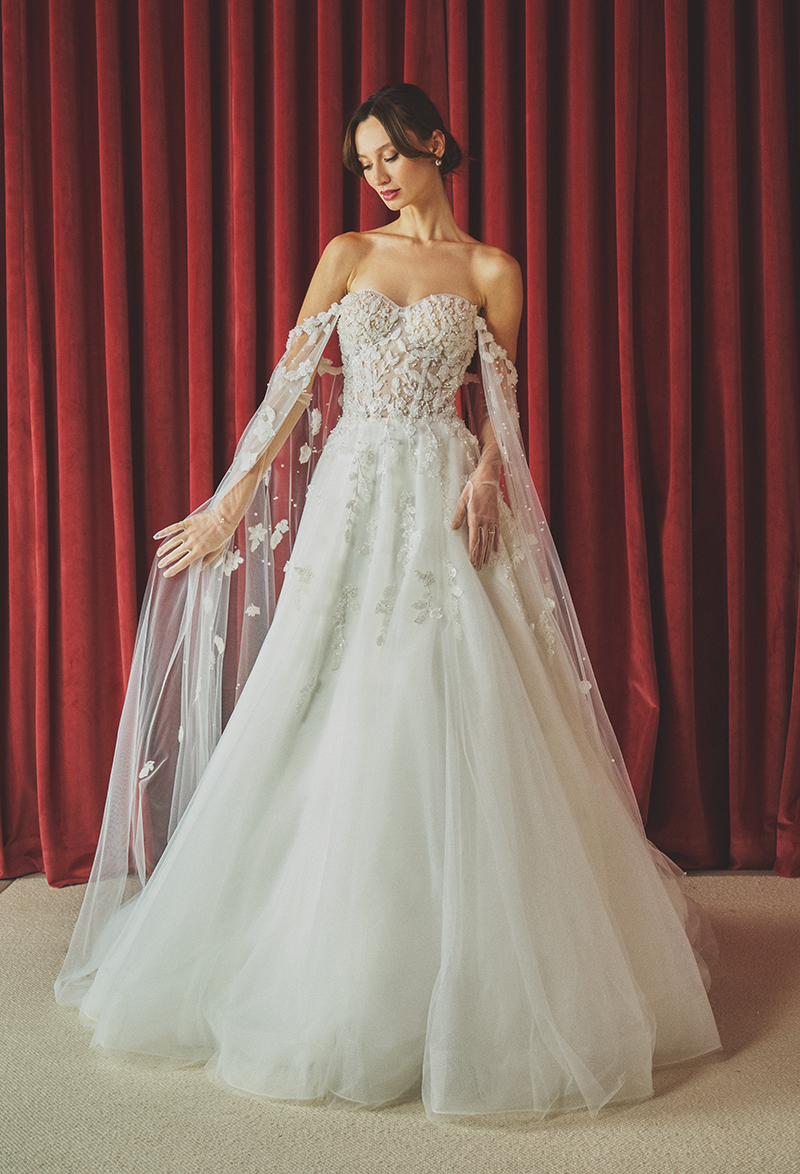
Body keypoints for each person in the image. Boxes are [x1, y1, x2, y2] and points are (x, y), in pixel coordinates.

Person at [56, 85, 720, 1122]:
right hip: (354, 493)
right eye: (364, 163)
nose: (376, 176)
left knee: (452, 697)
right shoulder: (347, 254)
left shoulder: (492, 270)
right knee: (324, 695)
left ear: (435, 145)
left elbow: (501, 404)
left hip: (443, 495)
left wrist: (489, 475)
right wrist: (228, 504)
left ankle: (471, 964)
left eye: (390, 156)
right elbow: (288, 388)